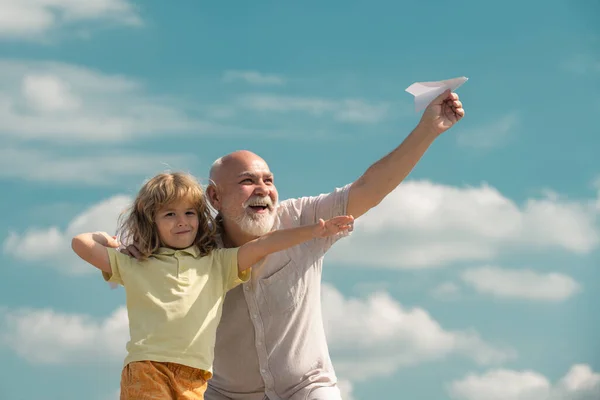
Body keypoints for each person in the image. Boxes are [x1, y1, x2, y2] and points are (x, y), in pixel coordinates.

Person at [125, 90, 465, 400]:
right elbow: (134, 244)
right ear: (214, 195)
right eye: (247, 181)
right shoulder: (191, 245)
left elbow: (369, 188)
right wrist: (137, 249)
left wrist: (428, 130)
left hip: (308, 389)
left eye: (268, 180)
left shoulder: (302, 219)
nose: (262, 189)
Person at [71, 172, 354, 400]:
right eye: (169, 215)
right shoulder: (136, 262)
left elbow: (264, 244)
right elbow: (80, 244)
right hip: (147, 368)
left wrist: (315, 231)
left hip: (196, 377)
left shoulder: (217, 263)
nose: (182, 222)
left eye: (189, 213)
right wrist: (112, 242)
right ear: (151, 221)